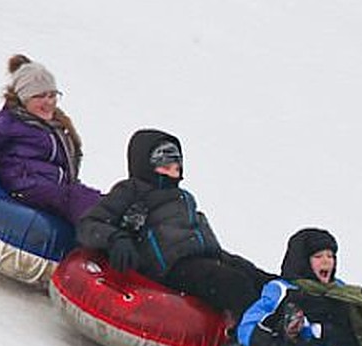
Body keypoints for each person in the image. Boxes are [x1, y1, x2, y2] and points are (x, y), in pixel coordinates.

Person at [76, 128, 272, 320]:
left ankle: (289, 320)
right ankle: (248, 338)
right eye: (165, 166)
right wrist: (115, 238)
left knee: (259, 278)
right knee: (233, 283)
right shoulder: (132, 191)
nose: (172, 173)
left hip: (205, 256)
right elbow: (90, 223)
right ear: (146, 165)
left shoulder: (183, 196)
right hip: (172, 267)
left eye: (176, 167)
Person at [0, 54, 101, 224]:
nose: (49, 102)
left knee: (107, 201)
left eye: (52, 95)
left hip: (57, 192)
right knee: (76, 197)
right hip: (27, 189)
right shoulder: (8, 122)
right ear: (24, 98)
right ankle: (100, 242)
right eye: (40, 96)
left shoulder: (58, 126)